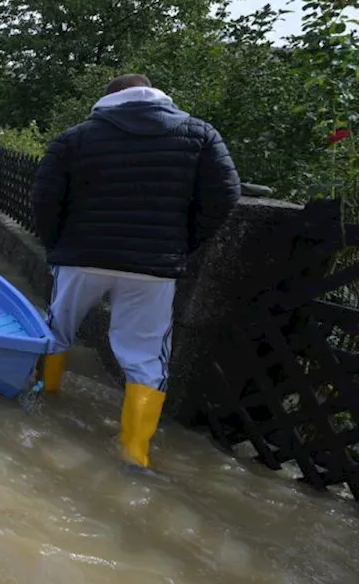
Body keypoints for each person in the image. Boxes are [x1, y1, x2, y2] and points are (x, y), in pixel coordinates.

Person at [31, 73, 241, 469]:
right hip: (153, 268)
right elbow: (226, 194)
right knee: (145, 357)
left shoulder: (74, 138)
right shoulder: (201, 135)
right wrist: (182, 243)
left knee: (57, 328)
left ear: (108, 100)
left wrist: (57, 246)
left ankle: (44, 399)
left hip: (81, 258)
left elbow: (44, 198)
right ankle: (133, 451)